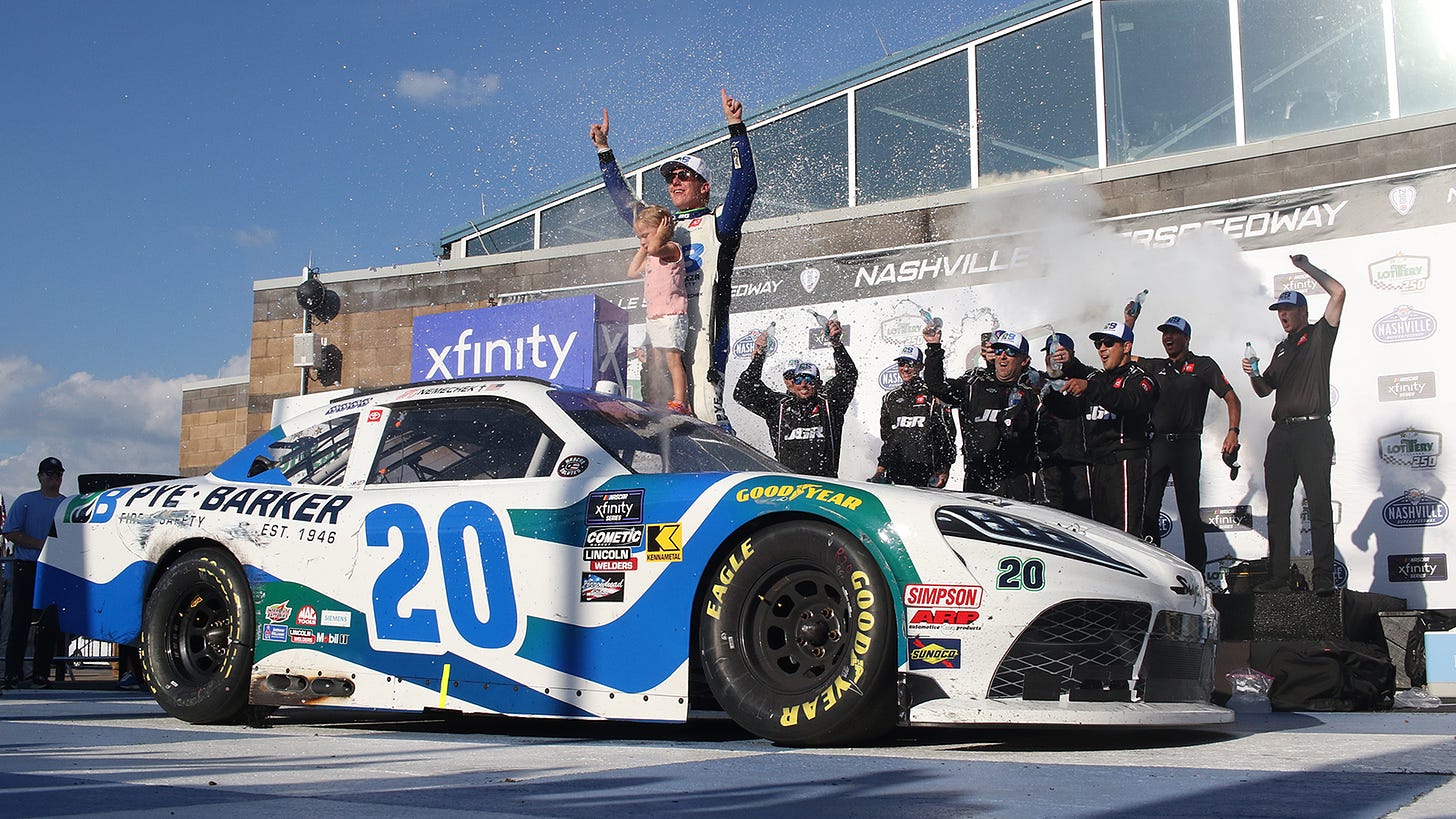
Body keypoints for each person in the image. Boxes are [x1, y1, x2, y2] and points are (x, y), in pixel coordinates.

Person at [591, 90, 757, 429]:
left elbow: (745, 185)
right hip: (667, 325)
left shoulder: (719, 221)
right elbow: (625, 204)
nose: (675, 182)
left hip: (706, 328)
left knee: (707, 416)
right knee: (661, 417)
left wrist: (735, 127)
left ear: (704, 187)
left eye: (684, 176)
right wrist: (604, 152)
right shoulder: (660, 225)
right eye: (670, 178)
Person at [1243, 254, 1346, 595]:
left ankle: (1322, 577)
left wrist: (1305, 267)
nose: (1283, 316)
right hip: (1282, 433)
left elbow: (1339, 293)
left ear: (1303, 312)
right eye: (1279, 311)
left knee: (1317, 504)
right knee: (1278, 508)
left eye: (1288, 310)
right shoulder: (1281, 348)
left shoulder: (1318, 335)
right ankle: (1278, 575)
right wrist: (1254, 373)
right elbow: (1263, 391)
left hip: (1313, 430)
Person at [1125, 314, 1242, 573]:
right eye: (1165, 333)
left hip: (1187, 446)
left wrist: (1233, 431)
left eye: (1174, 333)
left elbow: (1232, 398)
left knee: (1189, 513)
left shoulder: (1204, 366)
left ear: (1187, 338)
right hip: (1157, 445)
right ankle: (1151, 570)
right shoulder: (1155, 366)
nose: (1168, 337)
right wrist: (1129, 323)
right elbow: (1122, 355)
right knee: (1149, 510)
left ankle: (1197, 573)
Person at [1049, 323, 1159, 537]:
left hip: (1126, 464)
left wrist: (1089, 387)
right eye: (1098, 344)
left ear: (1126, 346)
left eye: (1109, 343)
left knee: (1127, 536)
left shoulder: (1141, 378)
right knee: (1103, 536)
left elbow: (1129, 401)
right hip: (1097, 466)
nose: (1101, 349)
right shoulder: (1097, 379)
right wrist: (1046, 393)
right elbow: (1070, 410)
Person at [924, 327, 1040, 500]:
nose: (1003, 355)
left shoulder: (1031, 387)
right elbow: (937, 386)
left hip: (1016, 480)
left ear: (1024, 361)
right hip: (977, 480)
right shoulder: (975, 383)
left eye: (1010, 352)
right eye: (999, 350)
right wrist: (933, 347)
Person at [734, 319, 857, 477]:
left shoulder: (829, 404)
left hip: (826, 485)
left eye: (809, 379)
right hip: (788, 486)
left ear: (819, 383)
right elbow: (743, 391)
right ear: (792, 382)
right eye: (798, 379)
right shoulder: (779, 406)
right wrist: (759, 357)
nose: (803, 384)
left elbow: (849, 376)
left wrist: (836, 344)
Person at [1, 457, 67, 689]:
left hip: (53, 568)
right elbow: (11, 532)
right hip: (26, 566)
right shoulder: (25, 501)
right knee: (20, 622)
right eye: (49, 474)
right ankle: (12, 673)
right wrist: (40, 544)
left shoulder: (65, 505)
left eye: (58, 474)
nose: (54, 478)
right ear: (40, 476)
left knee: (49, 624)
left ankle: (40, 673)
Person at [626, 205, 690, 413]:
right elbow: (632, 272)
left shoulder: (671, 248)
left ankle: (681, 401)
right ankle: (659, 396)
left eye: (645, 235)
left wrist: (660, 236)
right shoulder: (651, 255)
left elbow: (655, 248)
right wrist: (643, 247)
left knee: (673, 360)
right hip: (654, 316)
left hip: (672, 315)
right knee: (657, 361)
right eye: (639, 237)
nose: (643, 241)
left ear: (662, 228)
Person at [870, 345, 956, 487]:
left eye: (910, 364)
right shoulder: (890, 398)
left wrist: (945, 468)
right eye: (901, 363)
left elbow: (947, 436)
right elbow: (888, 439)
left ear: (920, 367)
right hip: (896, 473)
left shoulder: (933, 396)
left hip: (927, 473)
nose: (905, 369)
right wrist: (881, 469)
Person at [1036, 333, 1094, 517]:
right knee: (1046, 526)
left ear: (1072, 353)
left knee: (1083, 526)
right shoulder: (1038, 381)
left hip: (1080, 467)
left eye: (1061, 352)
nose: (1055, 356)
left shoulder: (1087, 379)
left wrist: (1071, 366)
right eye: (1051, 352)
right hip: (1047, 466)